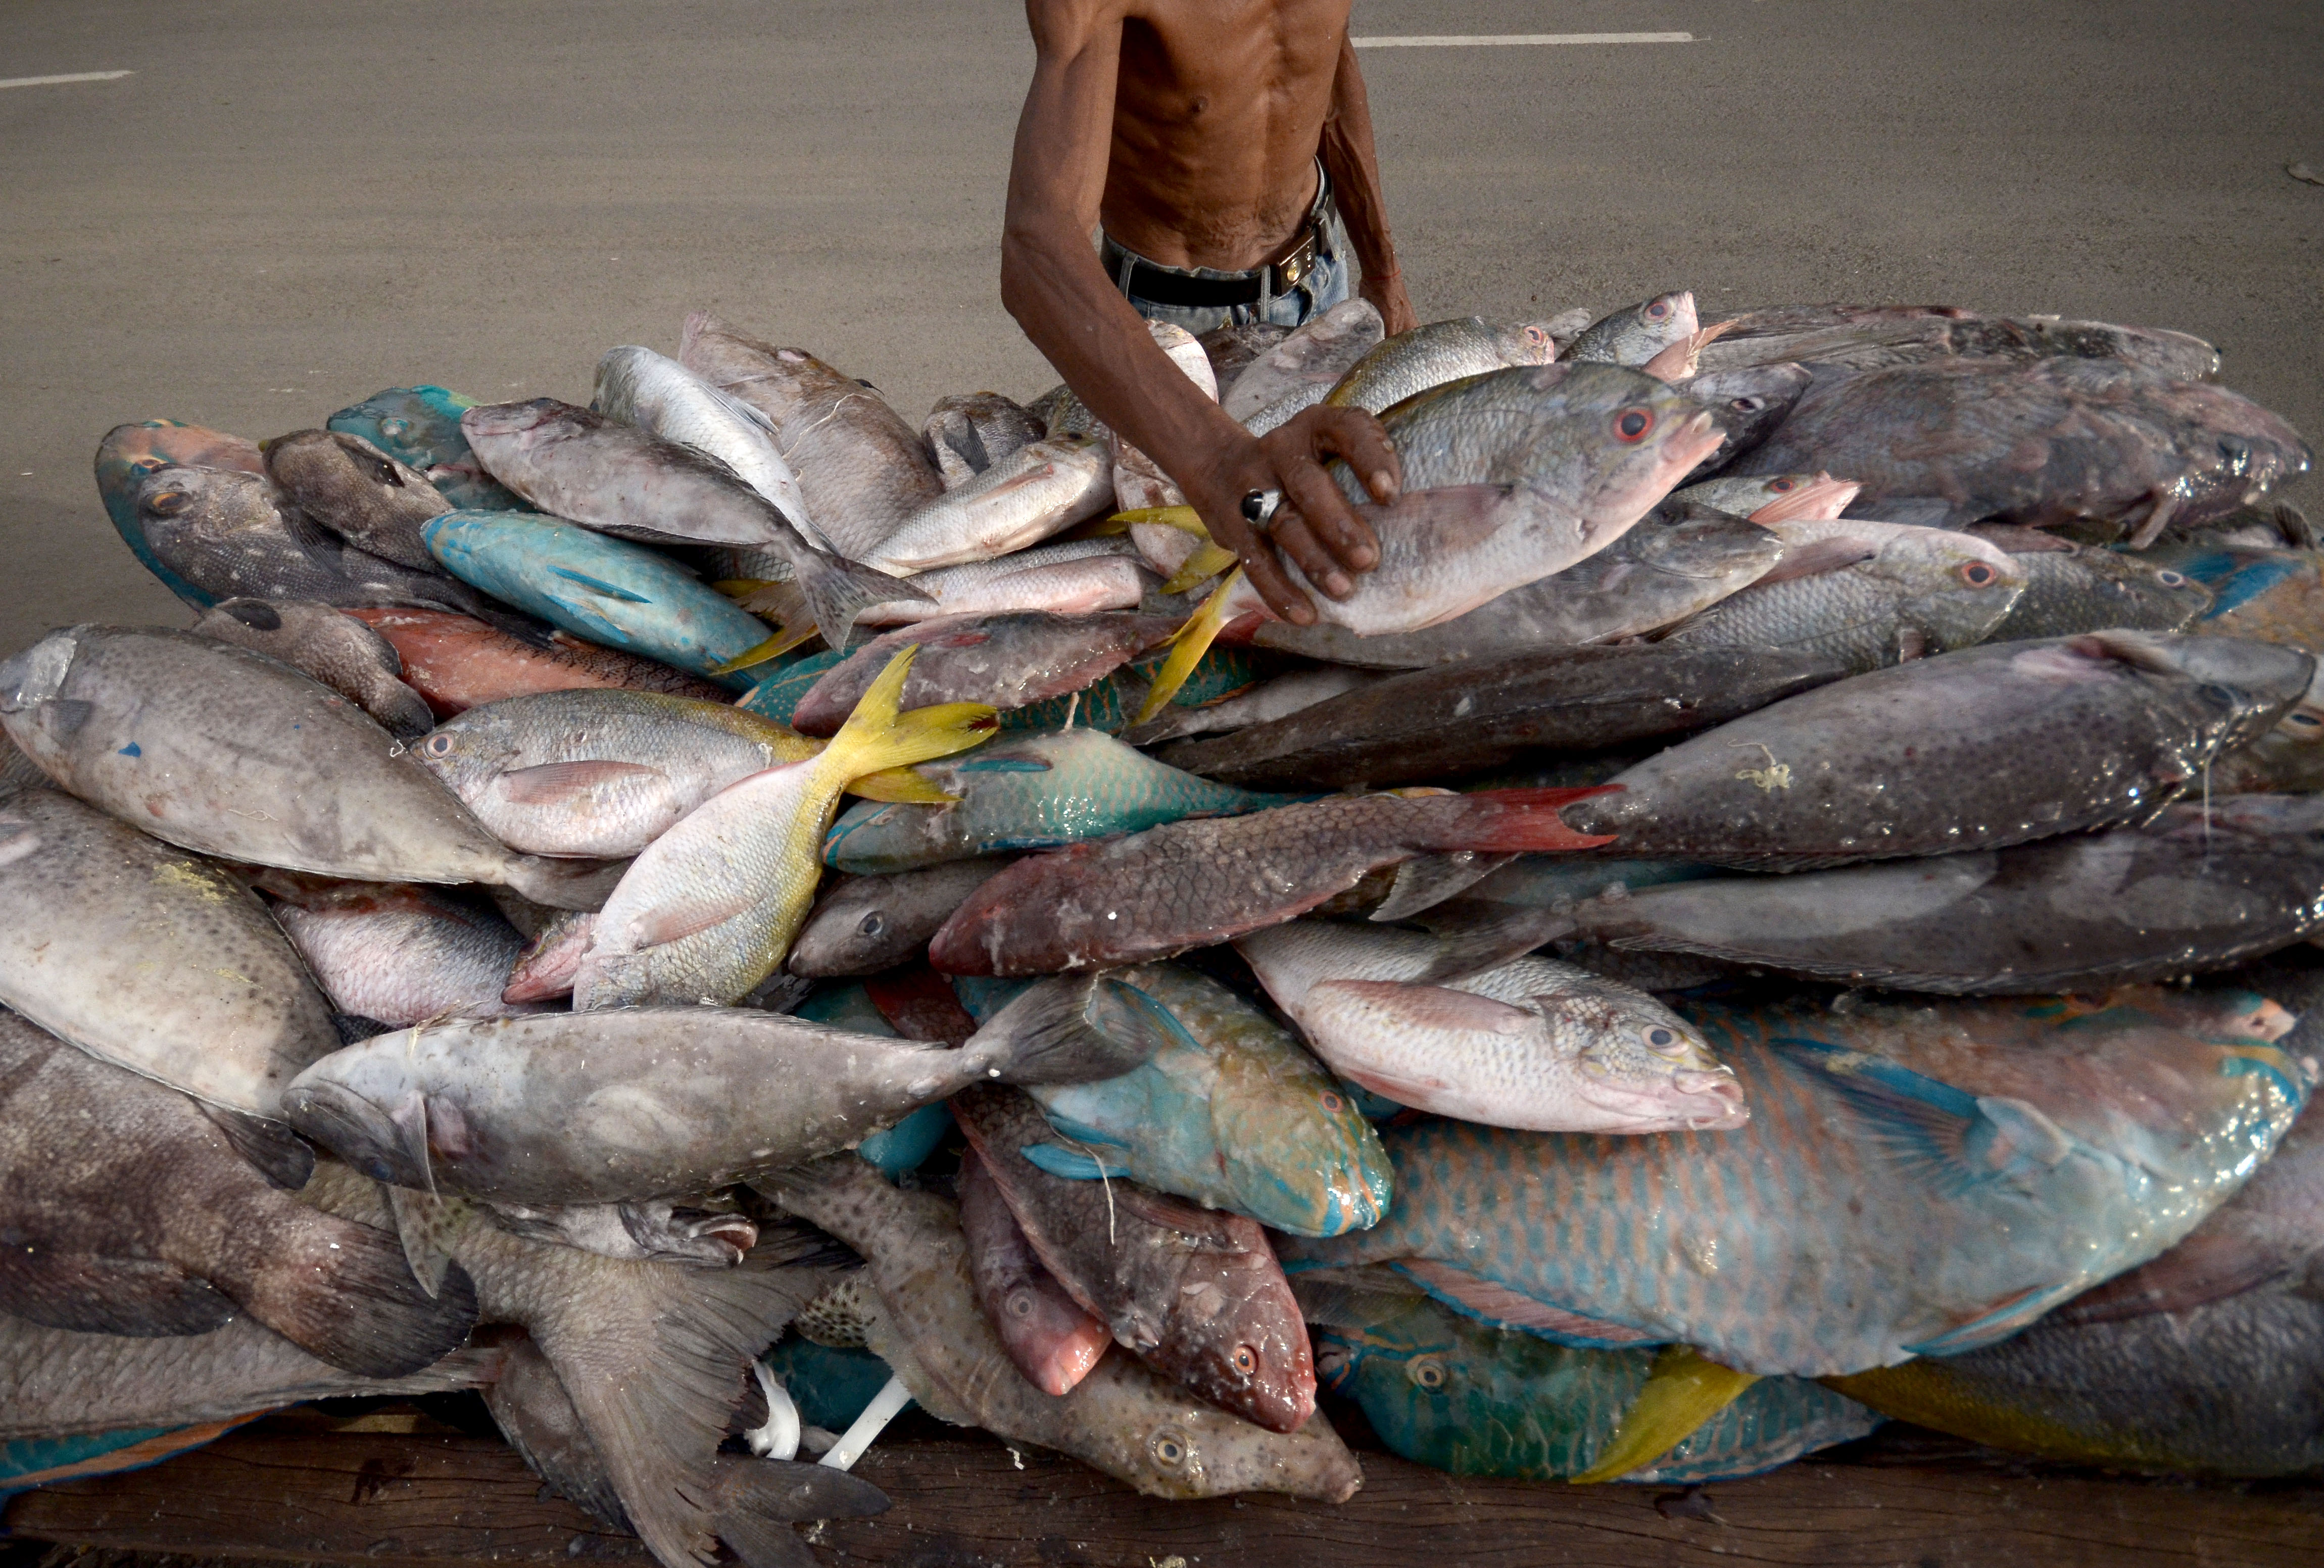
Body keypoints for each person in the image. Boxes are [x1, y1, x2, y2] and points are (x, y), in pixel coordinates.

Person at [1000, 0, 1417, 625]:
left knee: (1369, 572)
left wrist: (1383, 272)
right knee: (1213, 609)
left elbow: (1322, 59)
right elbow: (1038, 249)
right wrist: (1215, 461)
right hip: (1174, 335)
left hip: (1321, 281)